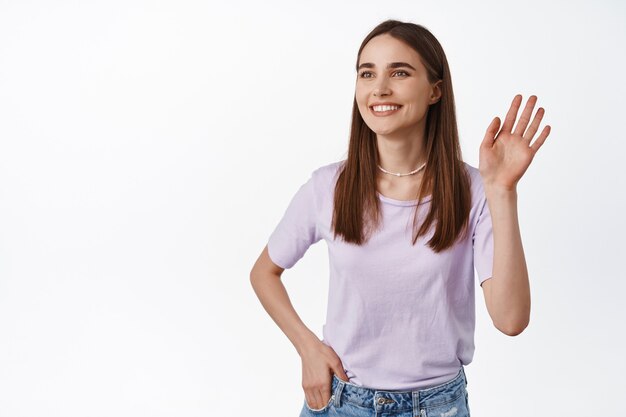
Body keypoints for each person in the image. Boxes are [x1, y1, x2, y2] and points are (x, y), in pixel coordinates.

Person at [250, 19, 551, 417]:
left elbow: (511, 320)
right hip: (340, 403)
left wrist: (502, 192)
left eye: (400, 72)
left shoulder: (476, 190)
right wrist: (307, 347)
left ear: (435, 91)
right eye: (367, 73)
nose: (379, 88)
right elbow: (264, 272)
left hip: (436, 406)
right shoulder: (328, 187)